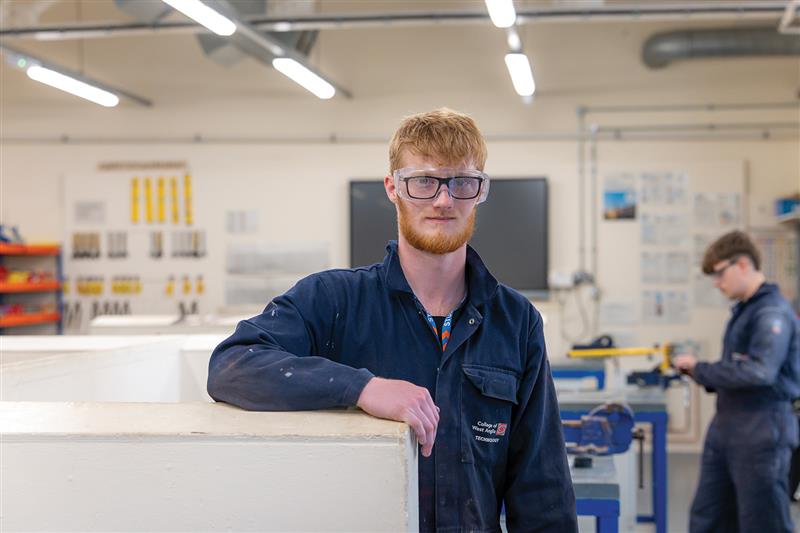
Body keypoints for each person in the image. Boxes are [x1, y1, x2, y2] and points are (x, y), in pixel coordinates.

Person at [207, 108, 577, 531]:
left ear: (480, 191)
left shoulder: (516, 320)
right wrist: (362, 387)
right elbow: (232, 365)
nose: (443, 199)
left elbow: (542, 489)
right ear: (392, 188)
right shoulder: (334, 301)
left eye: (461, 182)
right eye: (423, 181)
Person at [674, 230, 800, 533]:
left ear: (742, 264)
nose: (717, 284)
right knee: (709, 519)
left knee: (763, 522)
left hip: (762, 433)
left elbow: (760, 372)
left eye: (719, 274)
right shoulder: (746, 309)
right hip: (728, 428)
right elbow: (738, 368)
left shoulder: (771, 312)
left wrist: (700, 368)